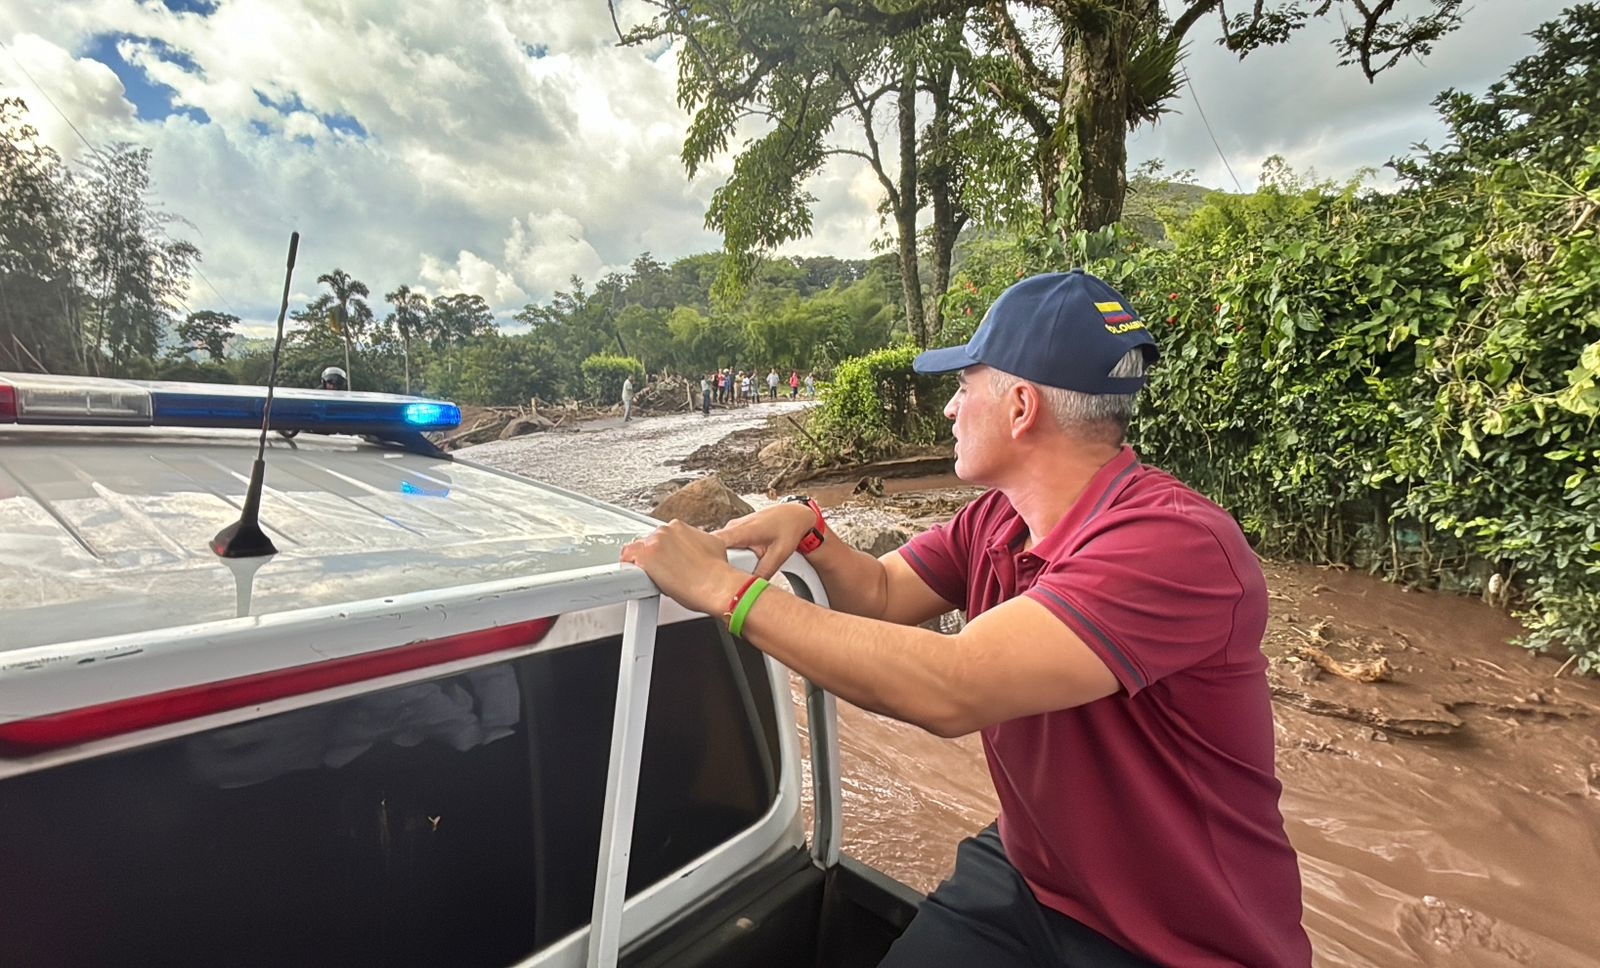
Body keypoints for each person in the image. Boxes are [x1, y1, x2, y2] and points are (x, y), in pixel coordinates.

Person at [621, 270, 1312, 968]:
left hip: (1178, 939)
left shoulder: (1173, 542)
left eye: (962, 387)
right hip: (1033, 868)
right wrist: (811, 532)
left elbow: (952, 686)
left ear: (1019, 407)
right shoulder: (997, 518)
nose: (950, 411)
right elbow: (883, 595)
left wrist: (726, 592)